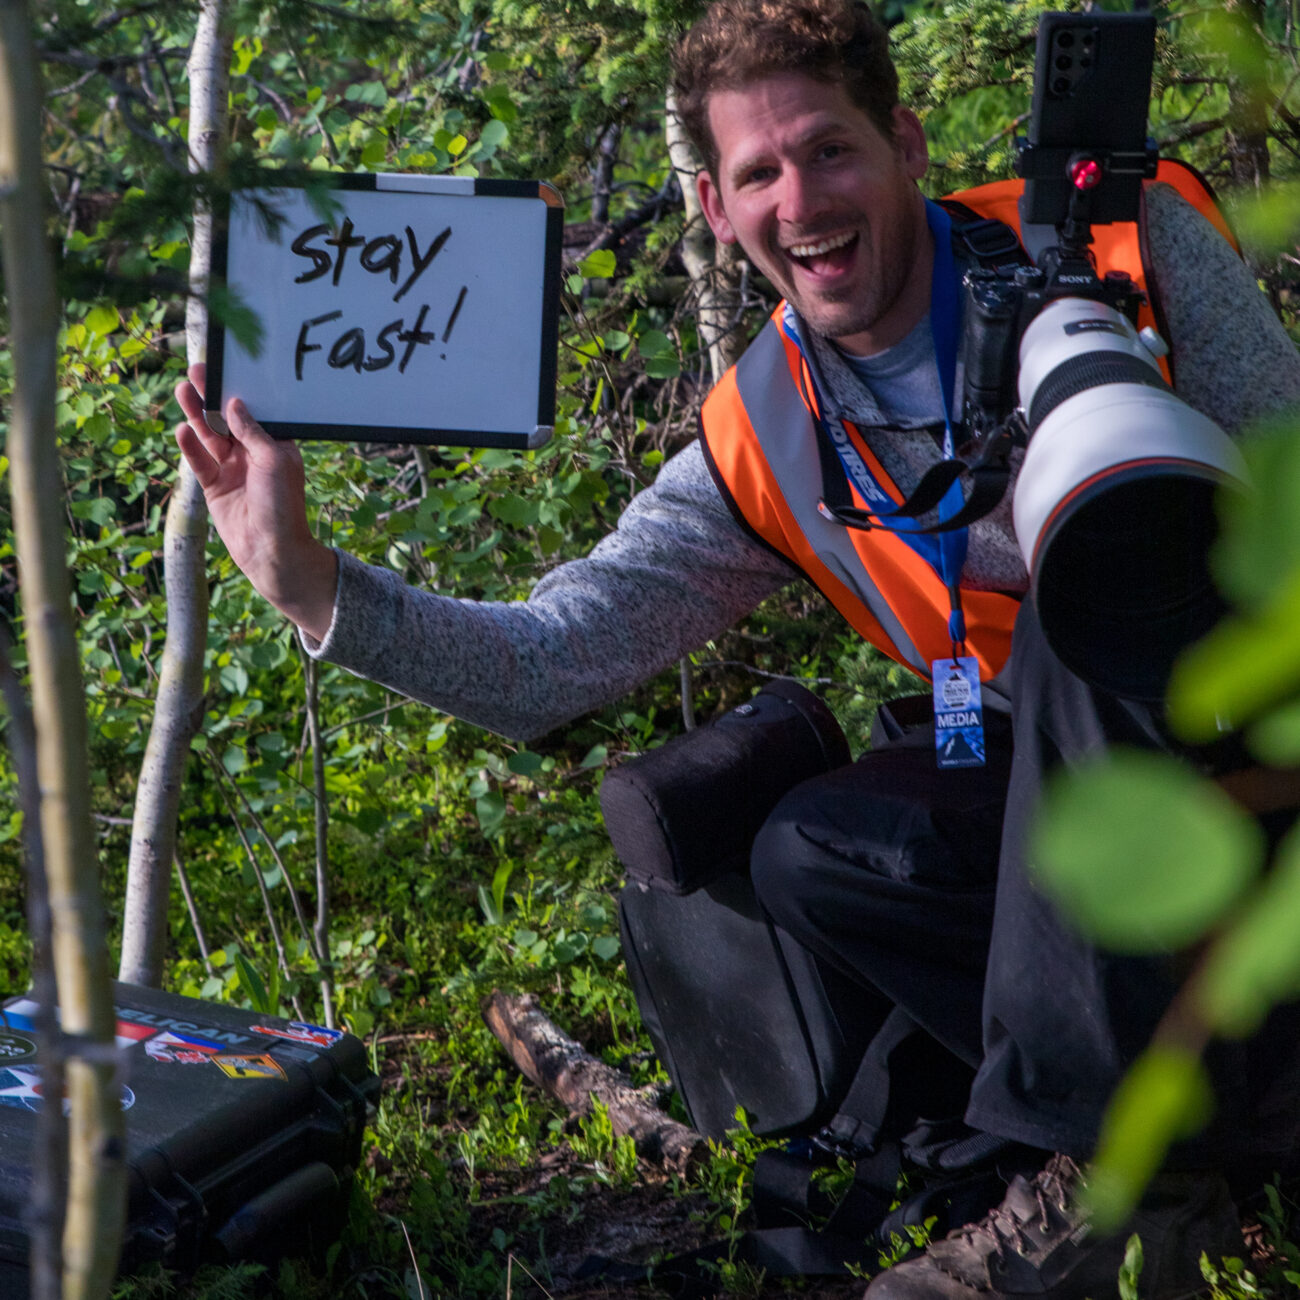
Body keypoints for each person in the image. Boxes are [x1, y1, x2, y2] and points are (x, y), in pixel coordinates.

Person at [175, 1, 1300, 1294]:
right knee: (817, 852)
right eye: (759, 171)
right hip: (1087, 812)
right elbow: (556, 658)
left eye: (829, 150)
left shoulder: (1121, 246)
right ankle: (1206, 1122)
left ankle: (1126, 1197)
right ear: (714, 206)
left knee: (1078, 616)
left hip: (1258, 743)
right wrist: (306, 577)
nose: (800, 196)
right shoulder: (767, 426)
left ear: (906, 144)